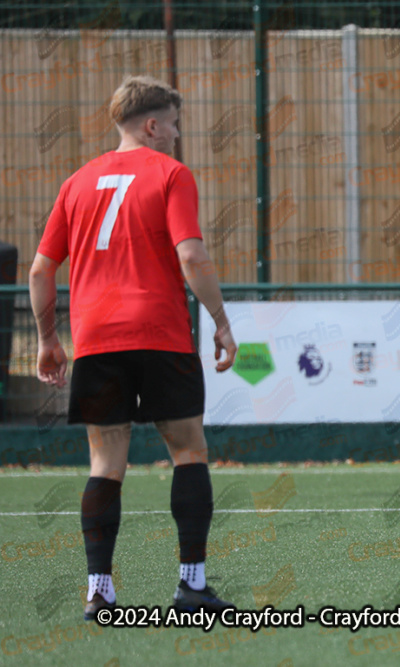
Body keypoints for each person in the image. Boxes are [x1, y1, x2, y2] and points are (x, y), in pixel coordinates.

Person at [29, 75, 239, 618]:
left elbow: (40, 270)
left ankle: (101, 593)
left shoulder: (76, 182)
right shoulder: (171, 174)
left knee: (105, 464)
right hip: (161, 334)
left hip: (97, 341)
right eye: (172, 123)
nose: (175, 133)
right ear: (151, 124)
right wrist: (219, 320)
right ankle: (191, 587)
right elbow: (191, 256)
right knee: (188, 452)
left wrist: (49, 339)